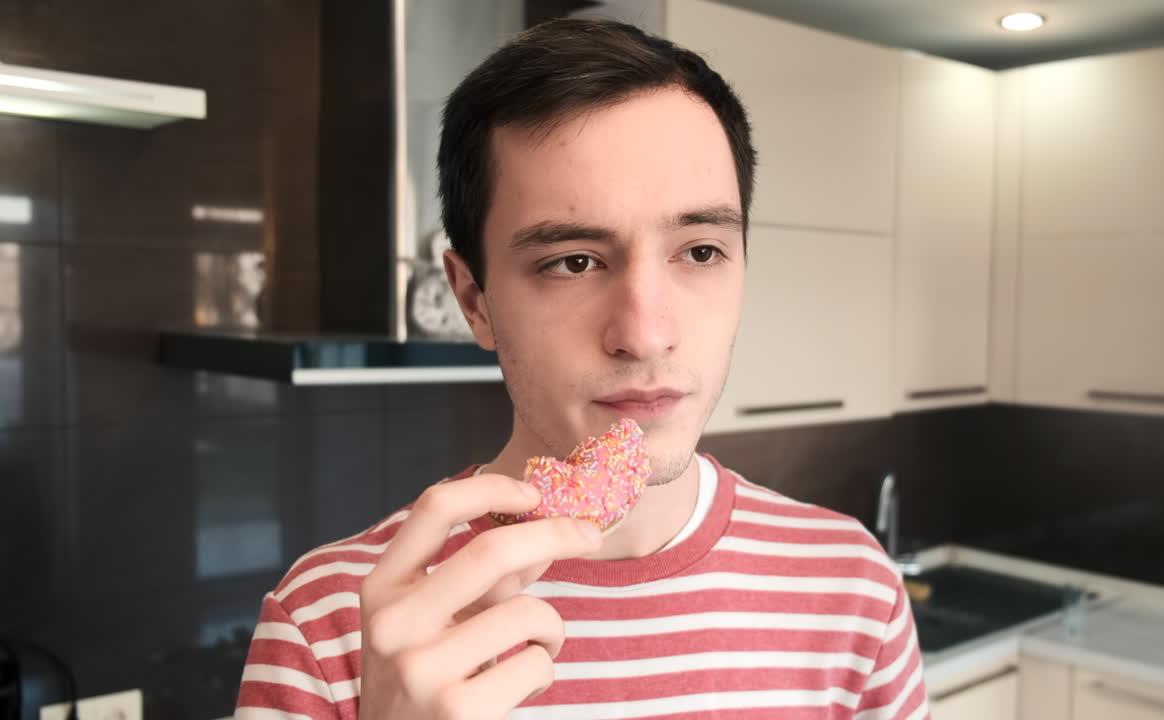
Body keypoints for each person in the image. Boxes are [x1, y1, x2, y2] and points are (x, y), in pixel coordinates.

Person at [236, 16, 928, 720]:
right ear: (475, 299)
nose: (646, 334)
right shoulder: (327, 626)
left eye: (699, 251)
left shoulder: (853, 590)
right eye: (573, 262)